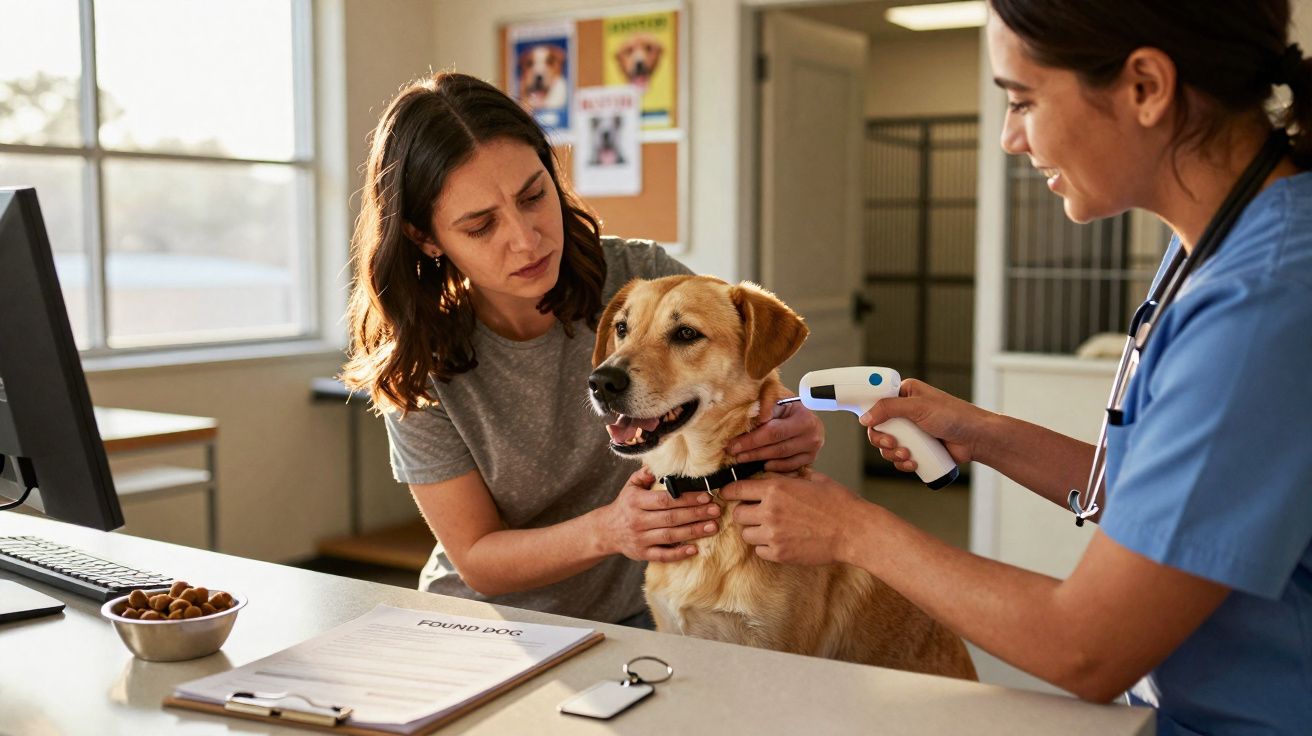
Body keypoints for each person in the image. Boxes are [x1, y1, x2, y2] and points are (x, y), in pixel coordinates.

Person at [720, 1, 1312, 732]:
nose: (1007, 138)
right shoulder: (1212, 246)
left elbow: (1090, 648)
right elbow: (1166, 502)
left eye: (1022, 100)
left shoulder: (1263, 304)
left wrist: (852, 531)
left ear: (1146, 87)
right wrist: (983, 431)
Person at [340, 72, 824, 627]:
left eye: (533, 196)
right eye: (480, 226)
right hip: (487, 625)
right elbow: (477, 559)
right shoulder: (415, 361)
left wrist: (791, 419)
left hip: (641, 610)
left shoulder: (640, 278)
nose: (526, 239)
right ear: (426, 239)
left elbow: (748, 385)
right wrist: (610, 529)